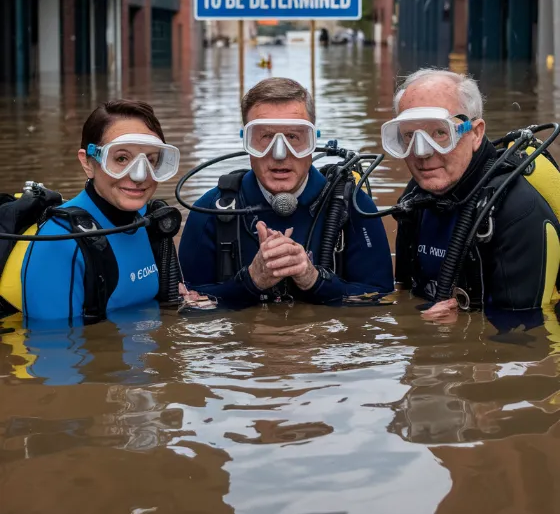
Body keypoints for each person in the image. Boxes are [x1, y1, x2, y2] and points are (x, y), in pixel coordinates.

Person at [179, 77, 394, 308]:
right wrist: (251, 281)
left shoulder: (354, 207)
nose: (280, 153)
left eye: (293, 137)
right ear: (247, 141)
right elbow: (185, 307)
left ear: (313, 141)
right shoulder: (210, 211)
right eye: (265, 137)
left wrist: (314, 279)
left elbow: (379, 301)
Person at [383, 68, 560, 318]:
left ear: (476, 133)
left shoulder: (517, 210)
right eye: (409, 135)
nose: (421, 152)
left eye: (440, 133)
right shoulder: (415, 198)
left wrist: (454, 330)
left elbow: (525, 338)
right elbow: (404, 291)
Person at [0, 100, 184, 322]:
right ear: (88, 162)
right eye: (121, 159)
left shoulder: (151, 223)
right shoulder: (59, 243)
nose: (139, 175)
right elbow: (51, 348)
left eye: (151, 160)